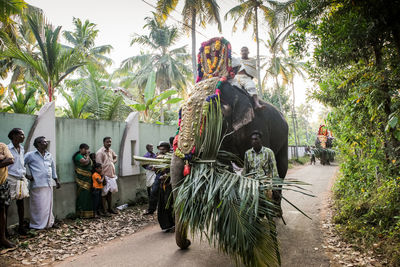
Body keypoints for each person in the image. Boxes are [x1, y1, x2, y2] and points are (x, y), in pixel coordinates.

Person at [24, 136, 60, 230]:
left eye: (46, 142)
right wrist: (27, 176)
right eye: (44, 142)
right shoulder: (30, 155)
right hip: (37, 184)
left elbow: (52, 168)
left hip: (48, 184)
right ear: (38, 144)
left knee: (48, 206)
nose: (46, 143)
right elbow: (20, 165)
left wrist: (56, 180)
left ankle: (49, 223)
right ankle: (36, 225)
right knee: (38, 206)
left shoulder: (49, 155)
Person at [242, 131, 281, 215]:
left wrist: (275, 186)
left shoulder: (268, 152)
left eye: (256, 139)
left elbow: (274, 169)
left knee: (267, 206)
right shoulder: (247, 153)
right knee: (253, 206)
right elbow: (245, 170)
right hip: (252, 183)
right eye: (252, 139)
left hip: (265, 183)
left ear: (260, 140)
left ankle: (270, 222)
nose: (254, 141)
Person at [6, 128, 29, 235]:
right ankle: (4, 230)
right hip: (10, 178)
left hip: (21, 178)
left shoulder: (22, 148)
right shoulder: (7, 148)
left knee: (21, 203)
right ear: (14, 136)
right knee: (6, 204)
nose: (23, 137)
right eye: (21, 134)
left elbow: (21, 163)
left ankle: (21, 227)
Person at [155, 142, 175, 232]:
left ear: (168, 149)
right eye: (160, 149)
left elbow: (175, 170)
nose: (161, 151)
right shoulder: (158, 158)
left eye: (163, 149)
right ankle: (166, 225)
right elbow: (158, 171)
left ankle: (174, 224)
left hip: (171, 184)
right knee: (162, 205)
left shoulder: (172, 157)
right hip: (162, 184)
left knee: (169, 204)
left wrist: (168, 175)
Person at [96, 137, 118, 214]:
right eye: (107, 142)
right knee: (104, 194)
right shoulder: (100, 152)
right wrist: (103, 178)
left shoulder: (111, 151)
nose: (109, 143)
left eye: (110, 142)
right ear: (104, 142)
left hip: (111, 175)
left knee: (110, 193)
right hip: (104, 176)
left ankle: (110, 209)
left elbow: (115, 157)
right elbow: (99, 167)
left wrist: (112, 162)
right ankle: (104, 211)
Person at [73, 143, 94, 218]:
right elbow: (85, 162)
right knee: (83, 195)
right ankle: (81, 213)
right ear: (80, 149)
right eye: (85, 149)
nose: (86, 150)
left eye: (87, 149)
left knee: (88, 196)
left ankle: (88, 213)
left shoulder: (86, 156)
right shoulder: (78, 156)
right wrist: (88, 156)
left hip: (88, 179)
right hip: (81, 180)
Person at [0, 142, 15, 248]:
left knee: (2, 211)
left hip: (2, 184)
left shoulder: (2, 146)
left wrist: (3, 160)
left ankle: (2, 238)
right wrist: (1, 159)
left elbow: (10, 160)